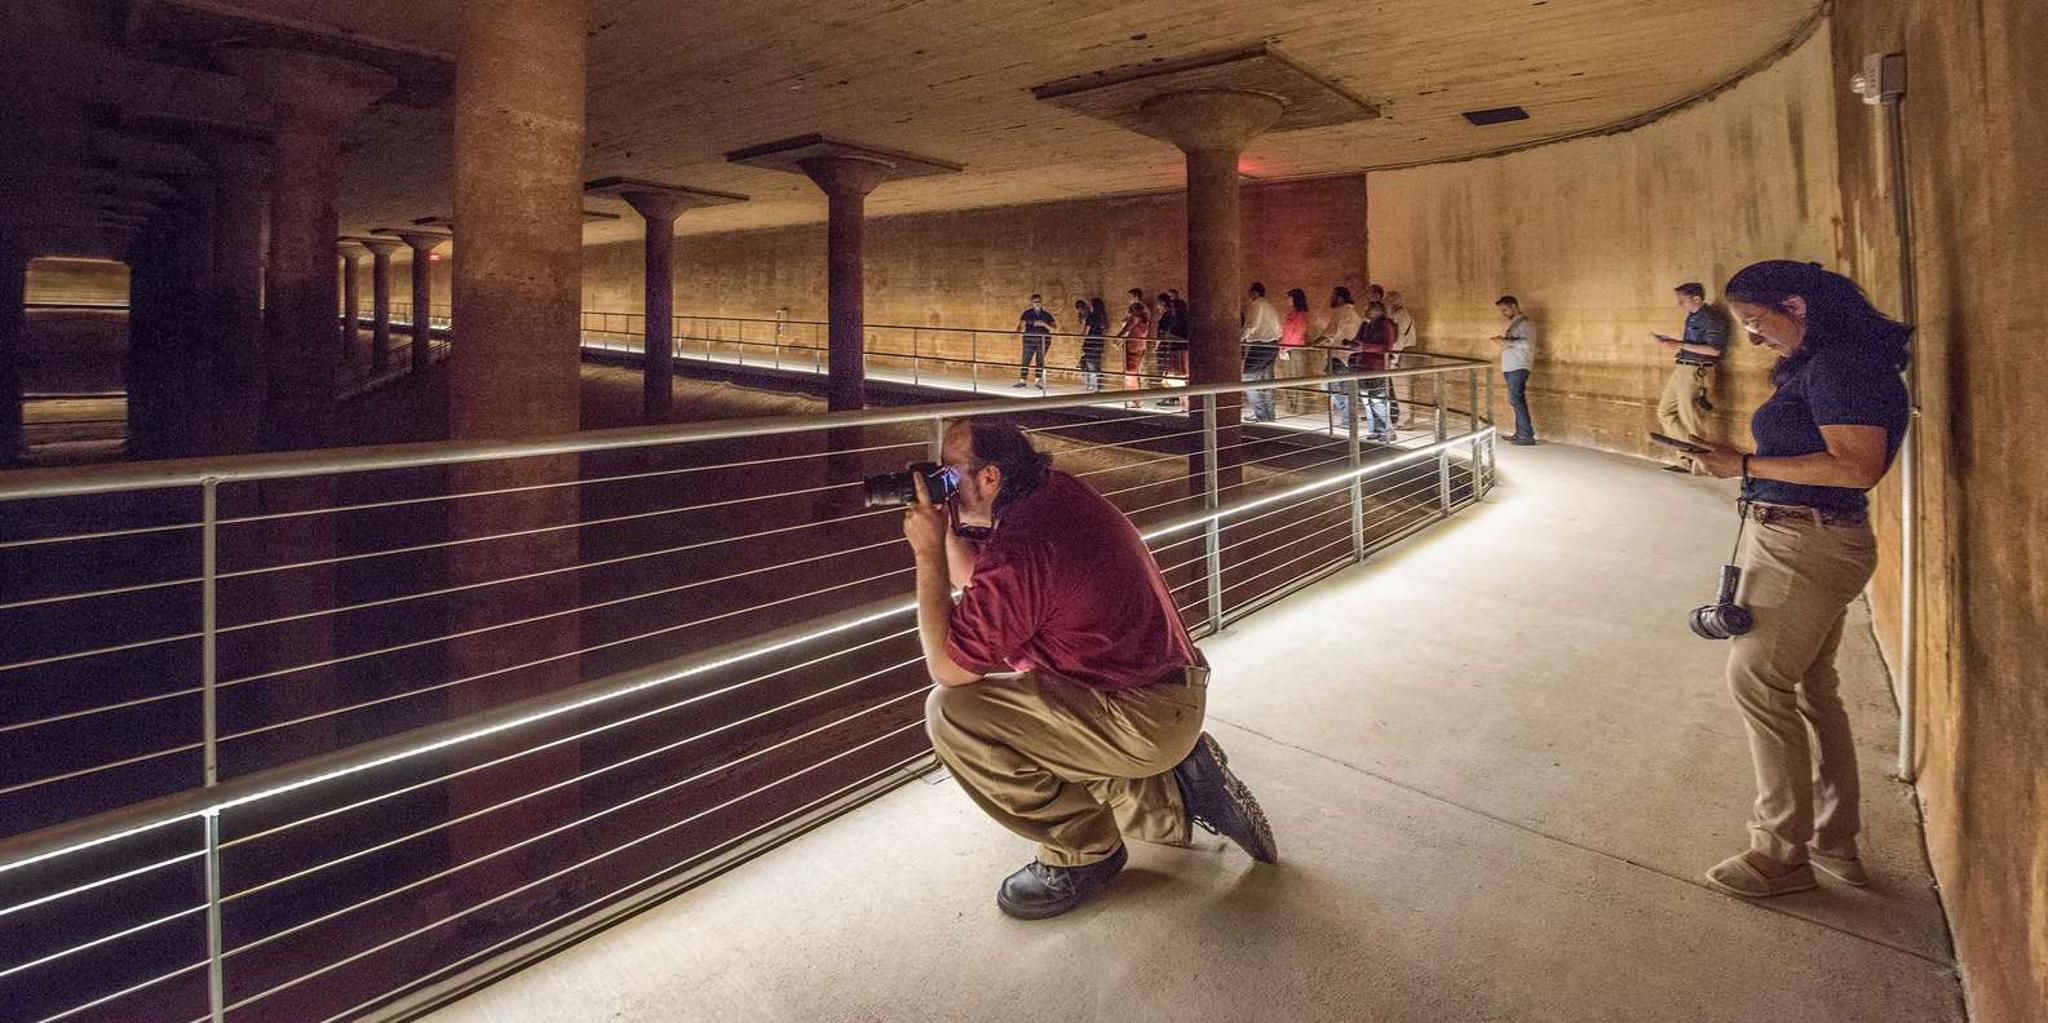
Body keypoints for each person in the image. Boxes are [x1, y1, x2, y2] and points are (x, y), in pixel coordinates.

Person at [905, 418, 1278, 919]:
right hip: (1162, 694)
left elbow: (948, 669)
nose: (943, 485)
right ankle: (1175, 791)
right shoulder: (1050, 495)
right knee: (1041, 719)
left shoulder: (1025, 547)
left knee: (952, 714)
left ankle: (1083, 853)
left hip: (1140, 717)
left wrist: (926, 551)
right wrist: (945, 525)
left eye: (949, 475)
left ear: (990, 477)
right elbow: (977, 578)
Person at [1680, 260, 1909, 900]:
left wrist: (1744, 463)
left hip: (1805, 542)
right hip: (1803, 534)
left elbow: (1856, 466)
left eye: (1756, 321)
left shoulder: (1841, 365)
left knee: (1756, 679)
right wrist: (1740, 468)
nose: (1753, 336)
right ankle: (1835, 840)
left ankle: (1780, 853)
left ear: (1797, 305)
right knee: (1811, 685)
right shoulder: (1832, 362)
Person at [1653, 282, 1733, 470]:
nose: (1680, 304)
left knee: (1691, 419)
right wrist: (1675, 344)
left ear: (1697, 298)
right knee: (1665, 412)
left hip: (1697, 370)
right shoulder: (1693, 317)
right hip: (1682, 368)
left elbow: (1714, 350)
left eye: (1683, 301)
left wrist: (1678, 344)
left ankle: (1696, 463)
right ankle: (1687, 456)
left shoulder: (1712, 318)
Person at [1491, 295, 1537, 444]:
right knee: (1515, 400)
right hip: (1511, 365)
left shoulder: (1526, 323)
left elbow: (1527, 343)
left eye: (1505, 310)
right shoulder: (1516, 323)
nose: (1503, 313)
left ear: (1514, 306)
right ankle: (1521, 433)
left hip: (1519, 365)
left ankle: (1526, 435)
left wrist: (1504, 341)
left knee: (1516, 399)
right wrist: (1505, 341)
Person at [1319, 286, 1365, 428]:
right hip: (1350, 356)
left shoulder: (1340, 312)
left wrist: (1313, 344)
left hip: (1338, 356)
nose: (1330, 298)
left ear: (1339, 298)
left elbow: (1330, 333)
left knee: (1329, 385)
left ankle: (1348, 418)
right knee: (1344, 388)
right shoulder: (1353, 313)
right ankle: (1348, 420)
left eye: (1333, 296)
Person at [1353, 301, 1398, 441]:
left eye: (1369, 309)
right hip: (1363, 364)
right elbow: (1359, 339)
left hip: (1377, 365)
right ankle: (1375, 430)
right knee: (1366, 399)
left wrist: (1365, 347)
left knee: (1378, 400)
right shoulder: (1366, 324)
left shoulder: (1385, 325)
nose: (1366, 311)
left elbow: (1387, 347)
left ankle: (1388, 432)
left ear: (1379, 311)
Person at [1240, 282, 1282, 422]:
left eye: (1250, 291)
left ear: (1255, 292)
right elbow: (1279, 329)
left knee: (1248, 378)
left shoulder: (1256, 304)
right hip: (1273, 345)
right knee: (1267, 381)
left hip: (1261, 345)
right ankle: (1269, 414)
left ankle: (1261, 414)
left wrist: (1239, 339)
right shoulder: (1269, 306)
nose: (1248, 294)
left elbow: (1252, 325)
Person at [1276, 288, 1313, 414]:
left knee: (1298, 378)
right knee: (1288, 378)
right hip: (1287, 349)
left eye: (1289, 297)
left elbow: (1298, 332)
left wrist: (1286, 347)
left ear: (1295, 299)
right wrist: (1282, 347)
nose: (1287, 300)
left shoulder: (1301, 314)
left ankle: (1300, 408)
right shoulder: (1291, 313)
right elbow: (1286, 332)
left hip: (1295, 349)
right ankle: (1291, 406)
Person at [1386, 290, 1419, 426]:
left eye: (1388, 300)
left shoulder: (1401, 316)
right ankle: (1404, 417)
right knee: (1399, 387)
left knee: (1402, 387)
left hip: (1402, 353)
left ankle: (1406, 420)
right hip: (1400, 352)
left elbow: (1398, 339)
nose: (1386, 302)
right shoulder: (1396, 315)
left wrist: (1394, 358)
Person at [1115, 299, 1152, 405]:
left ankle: (1134, 399)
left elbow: (1125, 330)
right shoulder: (1145, 319)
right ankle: (1135, 399)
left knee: (1130, 372)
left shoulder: (1134, 318)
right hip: (1141, 346)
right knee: (1134, 372)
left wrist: (1116, 339)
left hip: (1133, 346)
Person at [1015, 294, 1056, 389]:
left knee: (1040, 360)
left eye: (1039, 301)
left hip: (1043, 340)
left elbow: (1054, 328)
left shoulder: (1046, 315)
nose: (1037, 303)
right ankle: (1022, 381)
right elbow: (1021, 325)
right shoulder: (1027, 313)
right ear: (1032, 303)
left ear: (1041, 302)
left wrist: (1044, 324)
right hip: (1029, 339)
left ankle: (1038, 381)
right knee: (1026, 359)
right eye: (1035, 302)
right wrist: (1016, 333)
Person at [1076, 298, 1108, 392]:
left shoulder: (1092, 317)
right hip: (1099, 342)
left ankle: (1093, 386)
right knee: (1095, 363)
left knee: (1090, 364)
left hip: (1090, 343)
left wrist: (1081, 338)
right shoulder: (1102, 317)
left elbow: (1086, 331)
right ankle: (1096, 385)